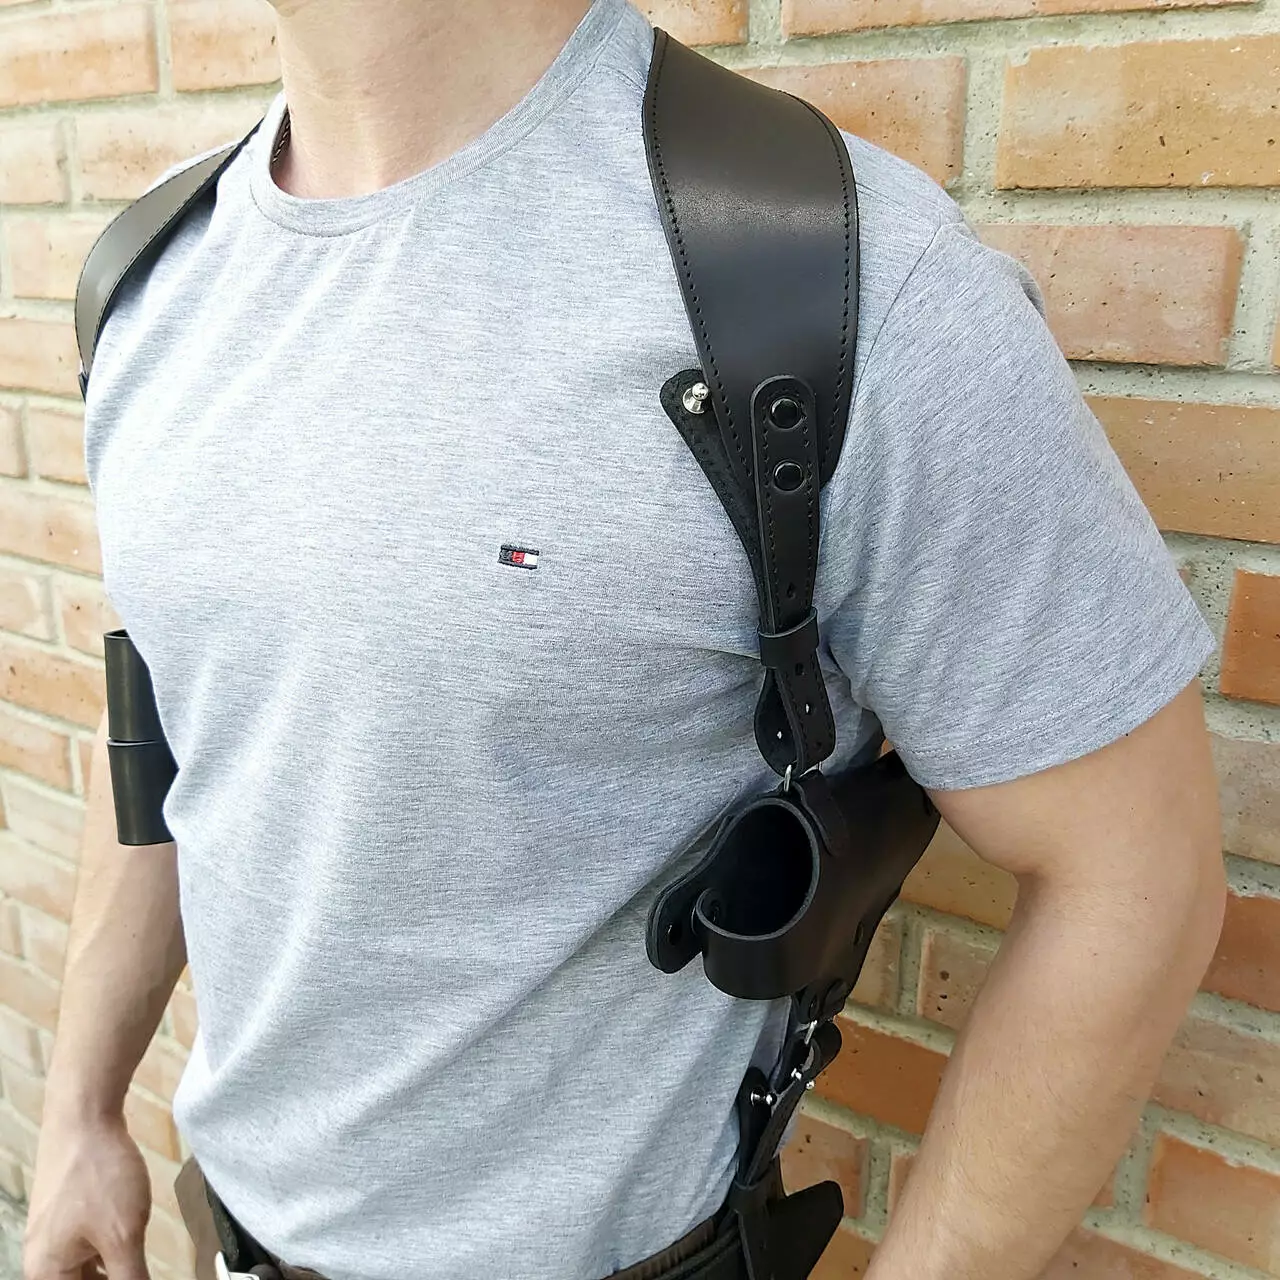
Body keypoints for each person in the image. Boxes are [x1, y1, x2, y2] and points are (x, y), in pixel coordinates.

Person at [24, 1, 1226, 1278]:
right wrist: (78, 1107)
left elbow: (1132, 875)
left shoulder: (833, 279)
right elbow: (170, 716)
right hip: (223, 1234)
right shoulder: (152, 279)